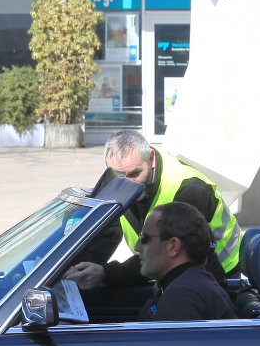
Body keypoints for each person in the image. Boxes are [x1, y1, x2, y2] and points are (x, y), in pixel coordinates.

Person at [65, 129, 241, 291]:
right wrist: (73, 269)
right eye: (120, 176)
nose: (128, 183)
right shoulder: (118, 180)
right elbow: (105, 232)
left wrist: (106, 273)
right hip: (164, 270)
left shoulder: (189, 188)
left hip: (215, 274)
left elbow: (164, 254)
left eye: (135, 173)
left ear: (151, 158)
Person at [75, 202, 235, 322]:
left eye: (145, 238)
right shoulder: (185, 284)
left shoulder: (183, 296)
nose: (137, 247)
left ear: (173, 246)